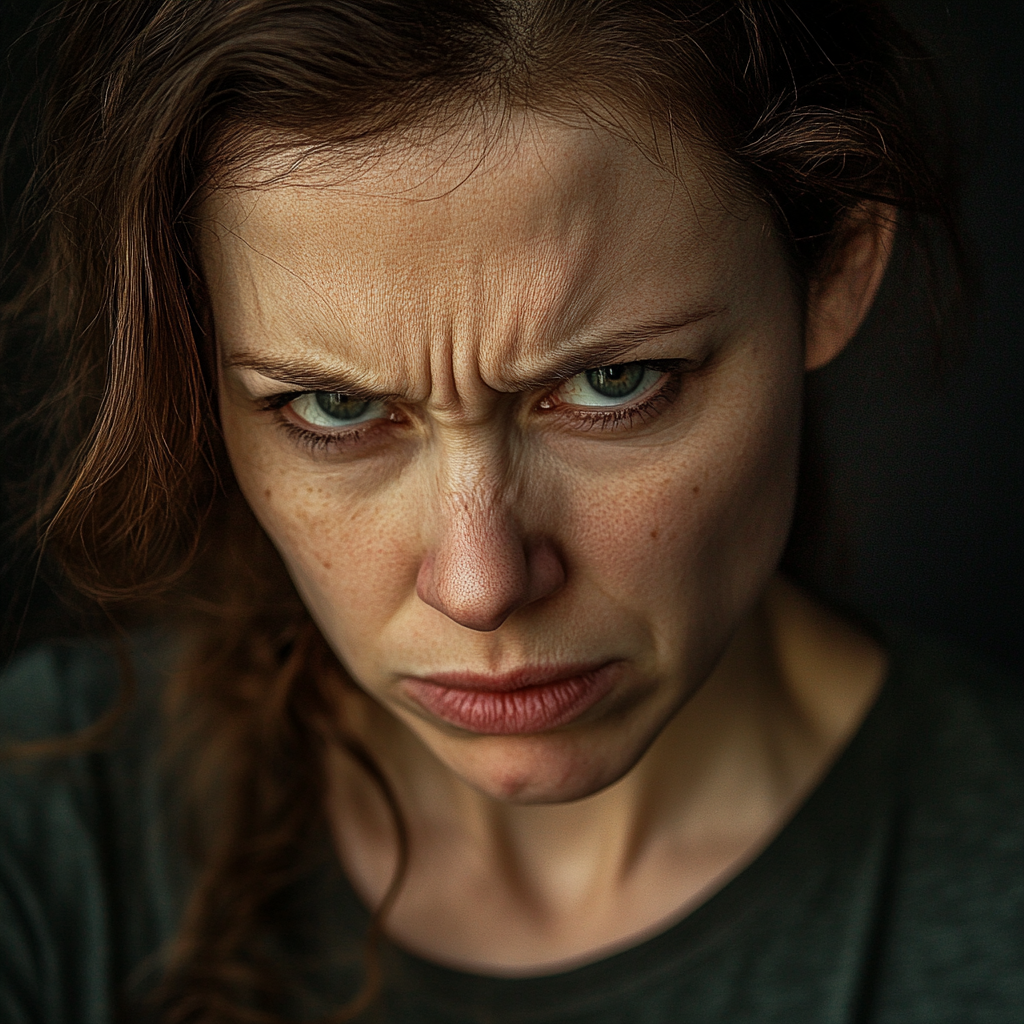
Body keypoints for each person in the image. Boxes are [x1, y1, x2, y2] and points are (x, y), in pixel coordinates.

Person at [0, 1, 1020, 1022]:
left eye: (613, 382)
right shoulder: (45, 814)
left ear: (834, 268)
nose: (481, 586)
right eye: (336, 406)